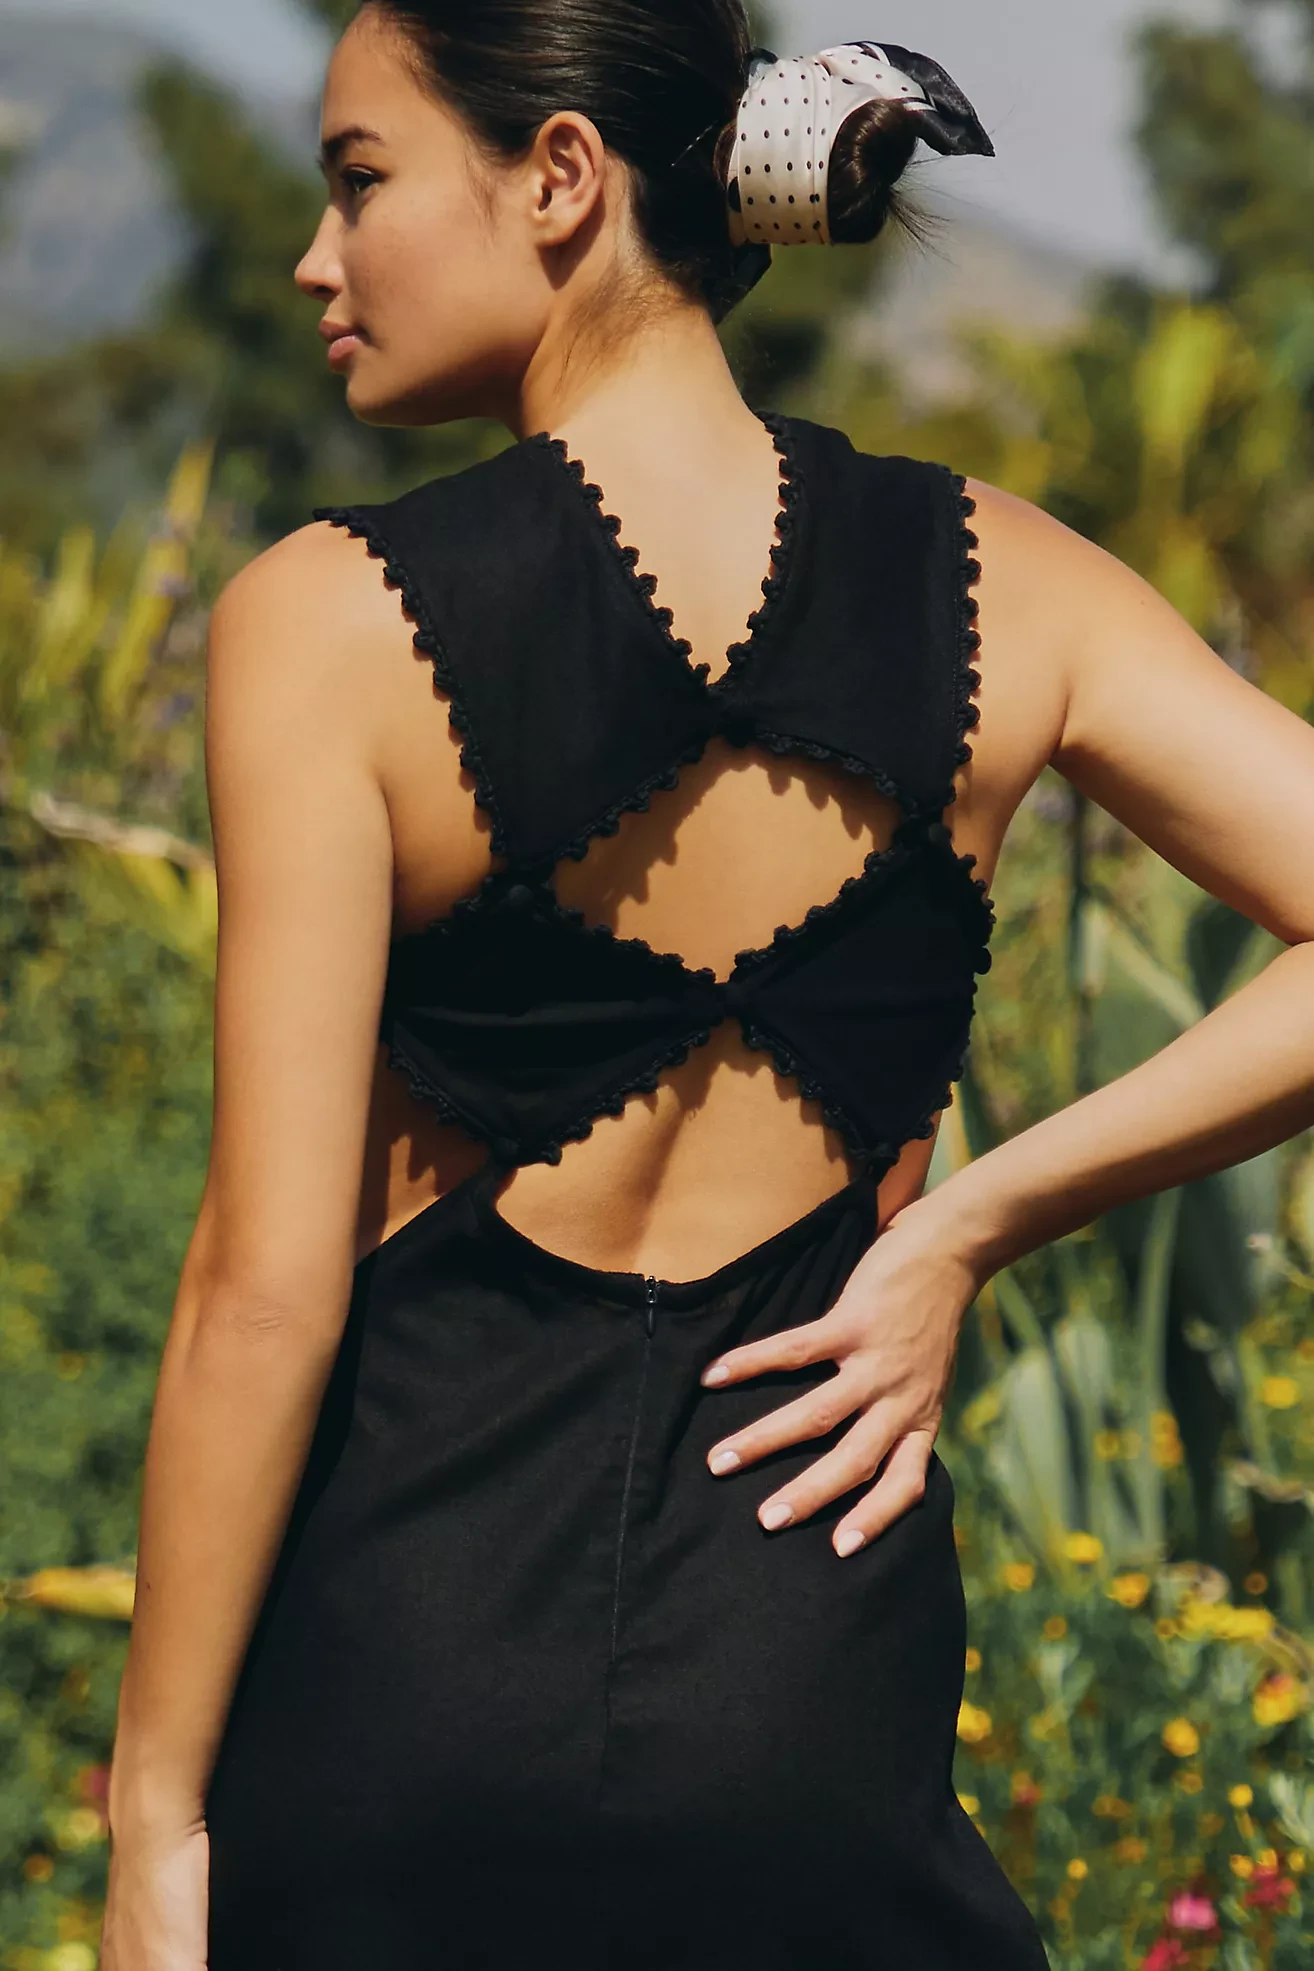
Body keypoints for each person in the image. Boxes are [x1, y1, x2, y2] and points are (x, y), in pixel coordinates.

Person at [99, 4, 1314, 1967]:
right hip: (806, 1666)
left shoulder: (322, 626)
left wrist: (156, 1812)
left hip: (405, 1665)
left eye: (360, 181)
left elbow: (262, 1286)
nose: (319, 258)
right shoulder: (1012, 584)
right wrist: (969, 1228)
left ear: (562, 178)